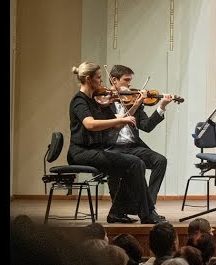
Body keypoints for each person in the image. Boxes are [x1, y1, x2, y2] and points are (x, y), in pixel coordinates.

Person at [66, 62, 166, 224]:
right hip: (82, 152)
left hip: (96, 150)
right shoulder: (79, 100)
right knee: (134, 163)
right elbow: (90, 124)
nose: (101, 82)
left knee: (134, 164)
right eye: (98, 78)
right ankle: (146, 213)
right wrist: (120, 119)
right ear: (88, 79)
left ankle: (117, 213)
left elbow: (118, 124)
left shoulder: (96, 100)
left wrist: (132, 109)